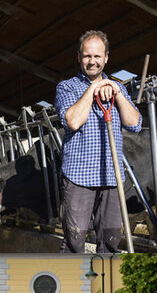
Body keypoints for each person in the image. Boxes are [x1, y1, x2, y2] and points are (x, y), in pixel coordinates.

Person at [55, 29, 142, 253]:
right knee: (75, 241)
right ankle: (73, 285)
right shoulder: (67, 87)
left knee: (111, 241)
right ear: (79, 57)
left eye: (97, 56)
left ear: (106, 58)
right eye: (87, 56)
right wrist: (93, 89)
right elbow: (72, 121)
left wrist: (118, 94)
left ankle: (106, 284)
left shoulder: (118, 88)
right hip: (78, 177)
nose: (92, 61)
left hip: (111, 177)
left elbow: (135, 124)